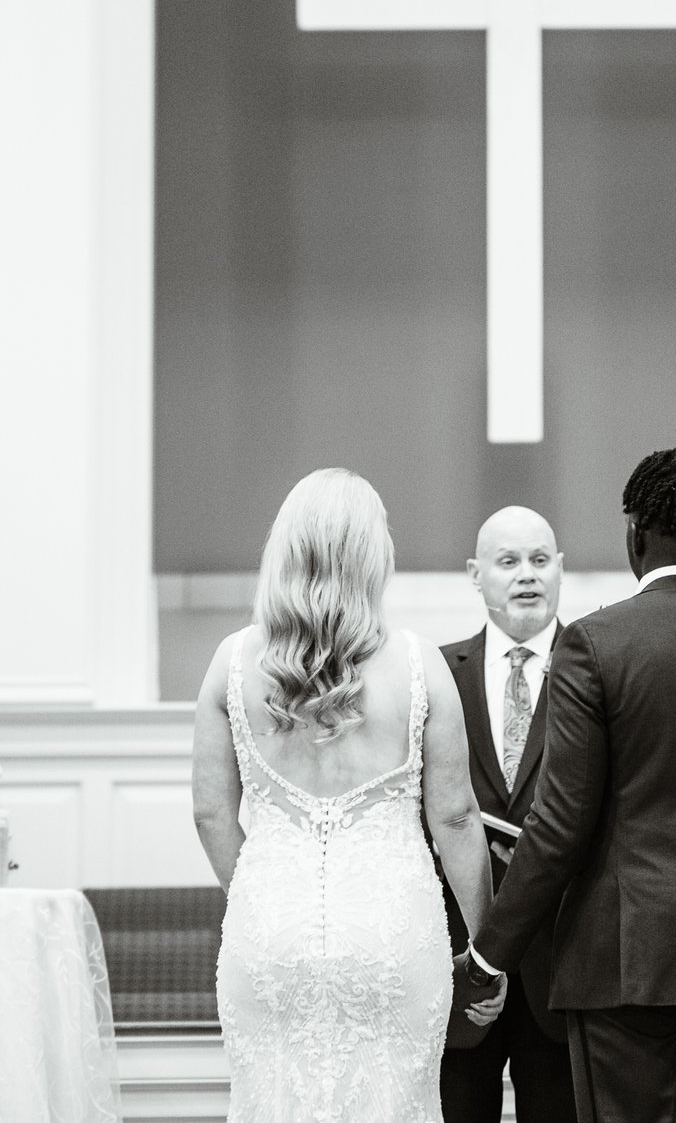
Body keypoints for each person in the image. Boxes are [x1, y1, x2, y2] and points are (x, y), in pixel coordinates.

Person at [458, 448, 676, 1123]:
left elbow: (559, 829)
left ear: (634, 533)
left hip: (629, 964)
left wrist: (487, 956)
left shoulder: (595, 646)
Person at [192, 468, 505, 1123]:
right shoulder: (422, 666)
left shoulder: (232, 662)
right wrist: (483, 948)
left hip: (269, 929)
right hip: (392, 935)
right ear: (374, 553)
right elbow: (453, 817)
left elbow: (211, 810)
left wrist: (256, 892)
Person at [437, 507, 577, 1123]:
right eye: (509, 561)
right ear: (476, 574)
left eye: (540, 560)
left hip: (563, 960)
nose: (527, 575)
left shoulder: (599, 666)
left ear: (560, 571)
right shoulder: (437, 671)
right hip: (460, 960)